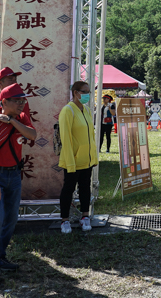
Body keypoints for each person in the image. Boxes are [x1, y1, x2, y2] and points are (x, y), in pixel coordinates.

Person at [0, 83, 37, 286]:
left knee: (11, 220)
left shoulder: (21, 118)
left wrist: (11, 120)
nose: (22, 103)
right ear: (4, 102)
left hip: (14, 176)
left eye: (23, 100)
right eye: (17, 100)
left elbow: (32, 135)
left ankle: (0, 256)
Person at [58, 81, 99, 234]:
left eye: (89, 91)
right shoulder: (68, 111)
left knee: (85, 189)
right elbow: (66, 139)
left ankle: (85, 217)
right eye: (84, 91)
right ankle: (64, 220)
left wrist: (93, 158)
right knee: (68, 189)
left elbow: (91, 136)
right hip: (72, 161)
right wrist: (70, 163)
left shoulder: (87, 110)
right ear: (75, 92)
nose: (87, 95)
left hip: (86, 160)